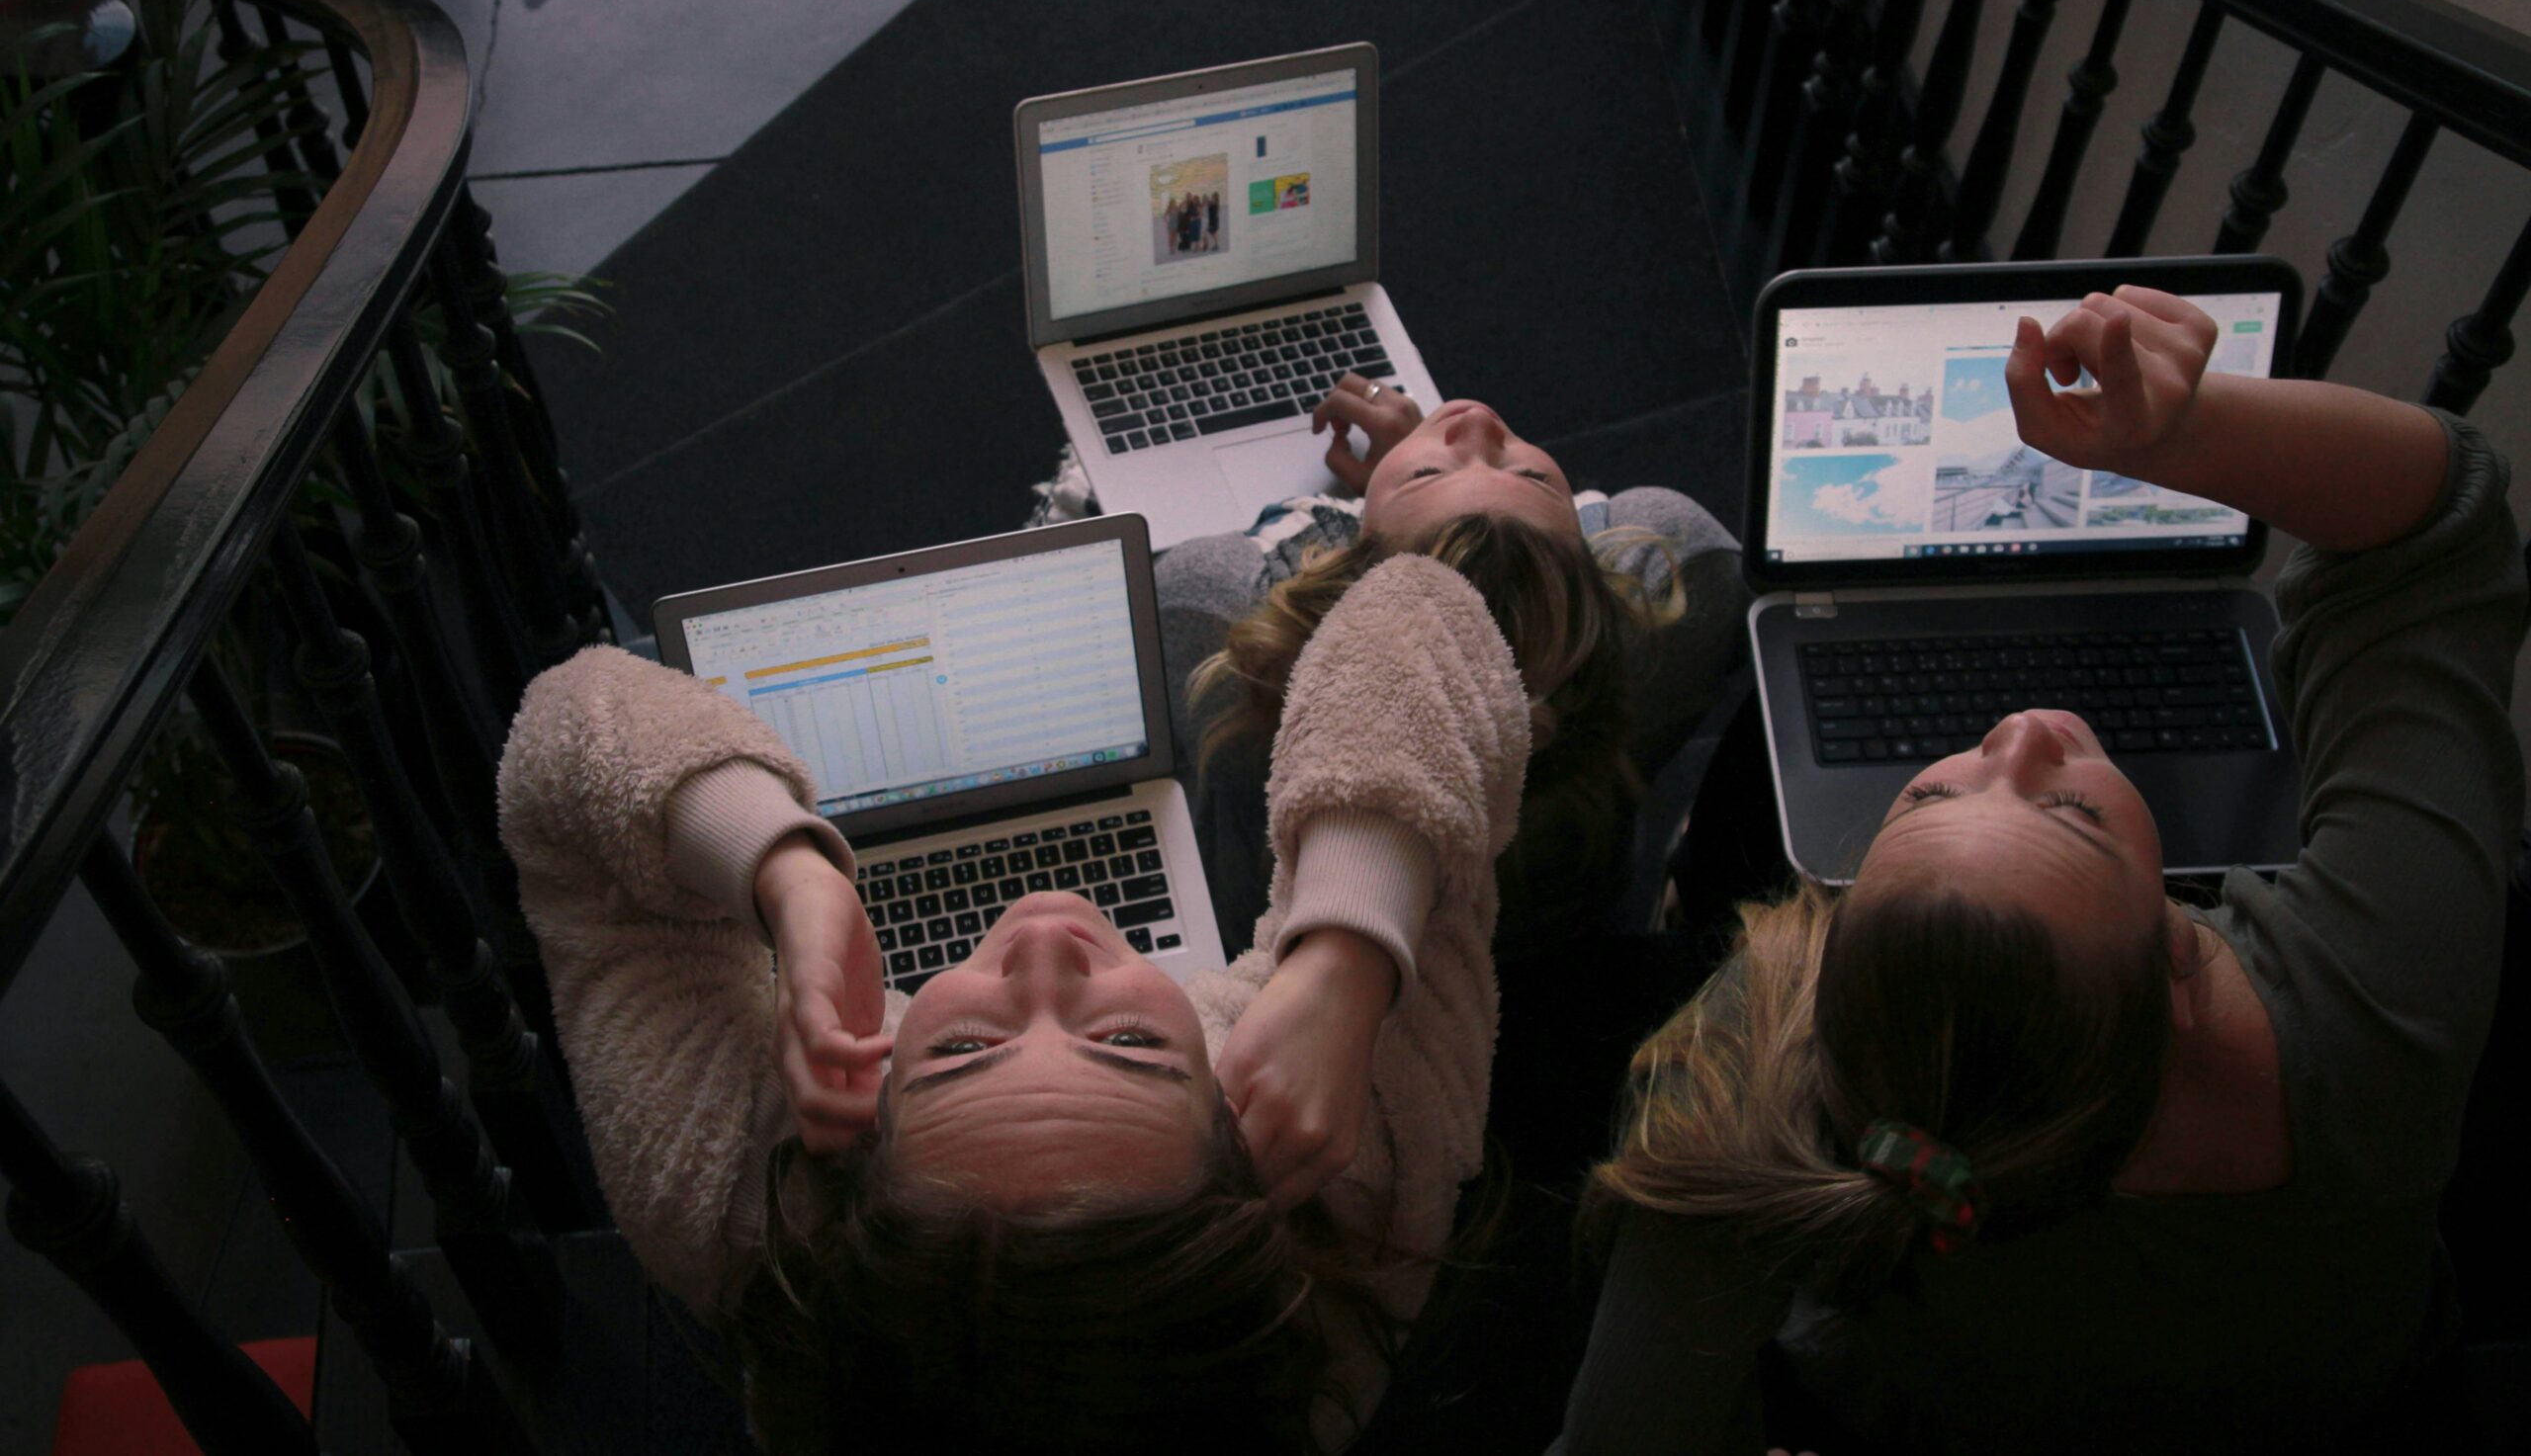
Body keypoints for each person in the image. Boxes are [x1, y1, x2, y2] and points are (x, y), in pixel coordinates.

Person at [1551, 287, 2525, 1454]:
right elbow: (2435, 523)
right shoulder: (2372, 1011)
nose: (2015, 730)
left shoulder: (1741, 1072)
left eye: (1930, 793)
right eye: (2072, 813)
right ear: (2179, 960)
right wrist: (2192, 436)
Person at [499, 540, 1534, 1452]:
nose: (1045, 937)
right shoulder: (1355, 1181)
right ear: (1249, 1140)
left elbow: (569, 720)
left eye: (958, 1054)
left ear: (859, 1153)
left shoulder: (738, 1203)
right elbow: (1420, 608)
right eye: (1131, 1042)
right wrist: (1346, 958)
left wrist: (788, 876)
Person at [1159, 373, 1746, 947]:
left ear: (1339, 574)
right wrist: (1417, 487)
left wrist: (1392, 481)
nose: (1476, 423)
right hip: (1566, 931)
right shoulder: (1688, 580)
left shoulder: (1217, 632)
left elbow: (1234, 571)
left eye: (1426, 474)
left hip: (1274, 945)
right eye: (1532, 476)